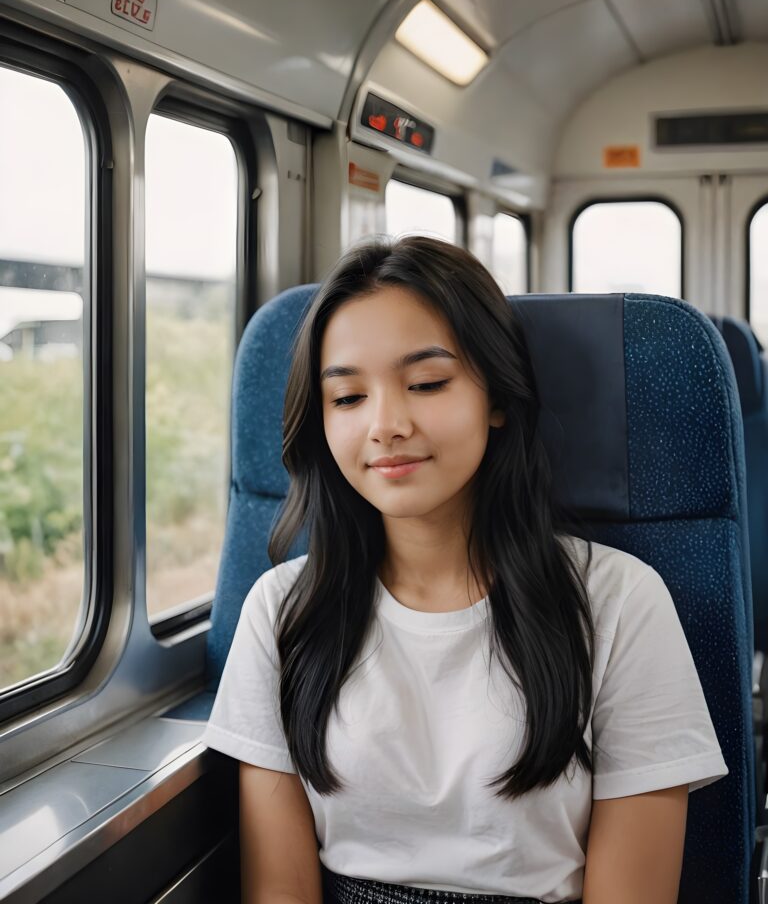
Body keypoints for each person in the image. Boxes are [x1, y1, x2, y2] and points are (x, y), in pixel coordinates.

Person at [201, 235, 728, 904]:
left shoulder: (618, 601)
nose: (386, 425)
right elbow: (281, 891)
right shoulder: (283, 611)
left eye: (426, 383)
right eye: (347, 399)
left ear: (497, 399)